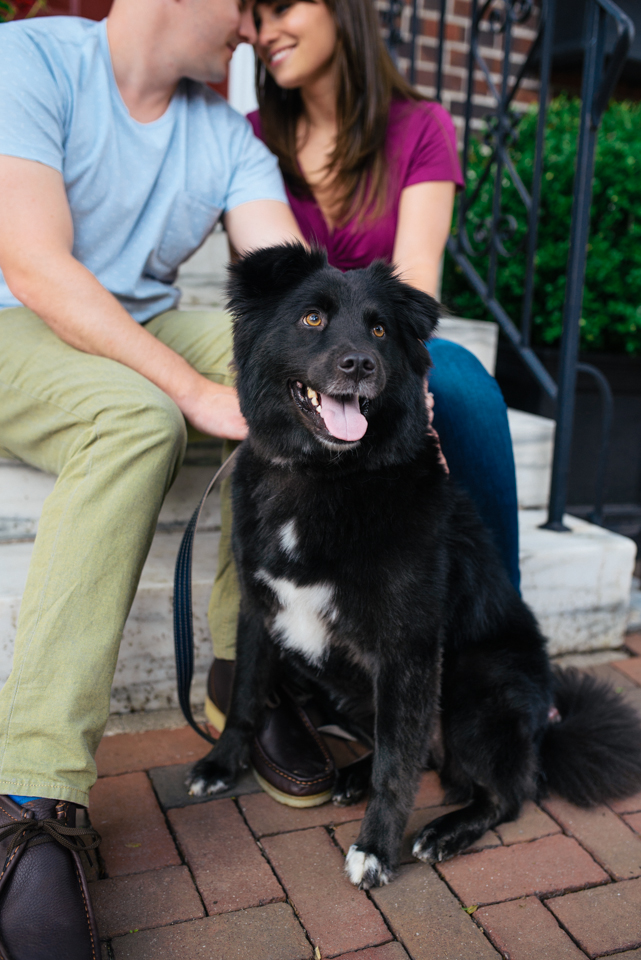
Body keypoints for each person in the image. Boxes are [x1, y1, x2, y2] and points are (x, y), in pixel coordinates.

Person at [0, 0, 305, 954]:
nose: (256, 33)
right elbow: (37, 266)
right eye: (251, 6)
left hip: (139, 319)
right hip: (13, 311)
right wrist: (191, 393)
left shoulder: (228, 138)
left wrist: (363, 365)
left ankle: (240, 680)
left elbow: (296, 289)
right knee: (137, 416)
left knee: (291, 384)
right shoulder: (29, 60)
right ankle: (29, 794)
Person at [203, 0, 520, 803]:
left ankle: (488, 644)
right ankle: (280, 657)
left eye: (280, 7)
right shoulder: (247, 135)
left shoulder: (419, 128)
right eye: (250, 14)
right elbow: (262, 304)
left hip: (380, 342)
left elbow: (415, 280)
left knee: (458, 382)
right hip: (301, 354)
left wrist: (386, 367)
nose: (260, 29)